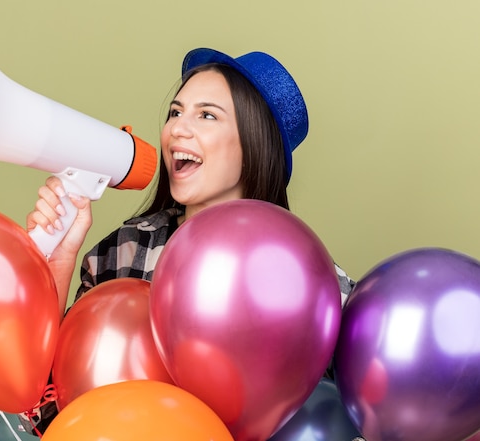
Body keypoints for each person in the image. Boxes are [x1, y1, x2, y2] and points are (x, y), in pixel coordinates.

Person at [23, 47, 355, 433]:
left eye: (207, 115)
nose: (177, 129)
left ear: (254, 143)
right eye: (176, 112)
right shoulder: (125, 251)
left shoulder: (308, 280)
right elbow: (46, 414)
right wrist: (59, 260)